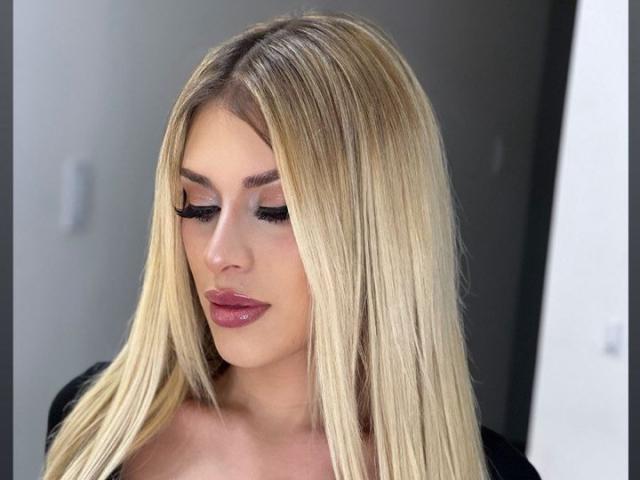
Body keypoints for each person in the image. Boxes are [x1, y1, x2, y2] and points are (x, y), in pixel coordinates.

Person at [42, 9, 541, 479]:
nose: (219, 254)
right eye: (199, 206)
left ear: (374, 228)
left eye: (276, 210)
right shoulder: (96, 424)